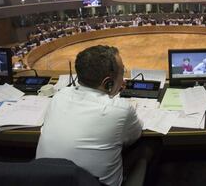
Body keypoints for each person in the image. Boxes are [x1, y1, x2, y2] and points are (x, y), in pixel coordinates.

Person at [36, 45, 145, 186]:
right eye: (122, 72)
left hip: (44, 181)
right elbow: (135, 135)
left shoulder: (59, 96)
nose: (123, 78)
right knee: (149, 146)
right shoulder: (120, 109)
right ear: (107, 82)